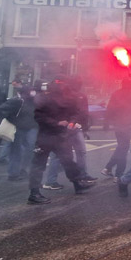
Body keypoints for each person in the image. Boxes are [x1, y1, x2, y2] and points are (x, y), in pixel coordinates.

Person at [27, 75, 93, 204]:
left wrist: (71, 122)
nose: (61, 86)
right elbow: (39, 117)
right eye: (58, 83)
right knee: (38, 164)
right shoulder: (44, 99)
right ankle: (34, 193)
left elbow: (76, 113)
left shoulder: (69, 99)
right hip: (45, 136)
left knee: (68, 161)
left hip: (61, 136)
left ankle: (78, 184)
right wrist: (57, 123)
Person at [102, 80, 131, 180]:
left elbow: (110, 108)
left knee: (121, 147)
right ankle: (118, 174)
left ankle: (108, 168)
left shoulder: (116, 94)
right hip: (126, 125)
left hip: (117, 124)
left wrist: (107, 123)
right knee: (123, 149)